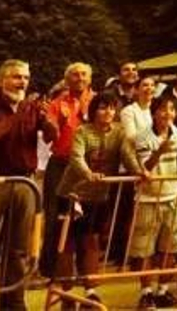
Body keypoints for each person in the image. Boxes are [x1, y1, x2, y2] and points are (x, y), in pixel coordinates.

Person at [0, 59, 58, 311]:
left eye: (26, 78)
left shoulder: (31, 109)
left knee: (19, 249)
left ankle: (14, 303)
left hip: (25, 183)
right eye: (17, 77)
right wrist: (18, 116)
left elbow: (52, 137)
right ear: (1, 80)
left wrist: (47, 120)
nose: (23, 83)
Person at [54, 92, 124, 306]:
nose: (108, 112)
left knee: (91, 242)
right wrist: (88, 174)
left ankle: (90, 291)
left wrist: (141, 171)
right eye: (103, 107)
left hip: (99, 196)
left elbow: (128, 153)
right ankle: (67, 291)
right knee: (68, 243)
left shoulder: (119, 132)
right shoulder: (82, 131)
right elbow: (76, 157)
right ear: (94, 111)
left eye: (112, 108)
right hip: (72, 193)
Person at [125, 94, 177, 309]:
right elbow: (146, 167)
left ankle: (163, 290)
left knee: (171, 247)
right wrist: (159, 151)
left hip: (173, 197)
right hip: (147, 198)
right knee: (143, 249)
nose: (168, 114)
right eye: (163, 109)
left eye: (172, 109)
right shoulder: (143, 136)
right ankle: (146, 292)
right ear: (154, 112)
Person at [40, 62, 94, 277]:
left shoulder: (99, 101)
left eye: (83, 74)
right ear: (66, 79)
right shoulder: (56, 103)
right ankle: (51, 269)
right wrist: (53, 125)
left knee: (87, 218)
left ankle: (86, 269)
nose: (79, 78)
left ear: (89, 78)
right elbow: (47, 136)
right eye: (74, 75)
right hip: (61, 164)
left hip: (90, 164)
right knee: (55, 216)